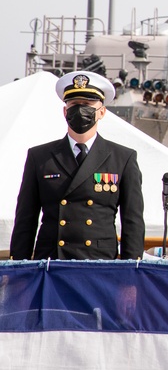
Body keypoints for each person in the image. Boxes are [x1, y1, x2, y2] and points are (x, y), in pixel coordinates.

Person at [10, 71, 145, 259]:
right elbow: (26, 219)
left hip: (99, 265)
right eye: (74, 105)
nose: (80, 110)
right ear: (65, 111)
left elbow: (132, 221)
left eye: (88, 105)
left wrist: (132, 272)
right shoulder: (40, 157)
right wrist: (19, 268)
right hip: (52, 263)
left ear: (102, 112)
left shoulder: (123, 158)